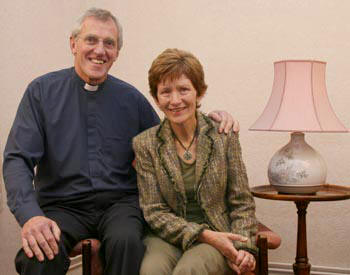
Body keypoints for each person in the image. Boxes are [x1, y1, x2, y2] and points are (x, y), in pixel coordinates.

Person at [3, 8, 238, 275]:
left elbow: (170, 140)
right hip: (61, 206)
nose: (99, 50)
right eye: (91, 40)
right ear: (73, 44)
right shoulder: (41, 93)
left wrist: (211, 119)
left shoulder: (131, 99)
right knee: (40, 253)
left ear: (117, 52)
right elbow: (17, 159)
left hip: (119, 205)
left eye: (109, 43)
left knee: (127, 242)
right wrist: (30, 215)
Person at [133, 48, 258, 275]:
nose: (175, 100)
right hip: (167, 236)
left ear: (199, 93)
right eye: (165, 92)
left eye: (183, 90)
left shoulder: (223, 136)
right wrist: (202, 234)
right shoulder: (145, 144)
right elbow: (154, 211)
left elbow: (242, 202)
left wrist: (243, 246)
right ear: (156, 99)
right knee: (151, 271)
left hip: (218, 233)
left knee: (188, 271)